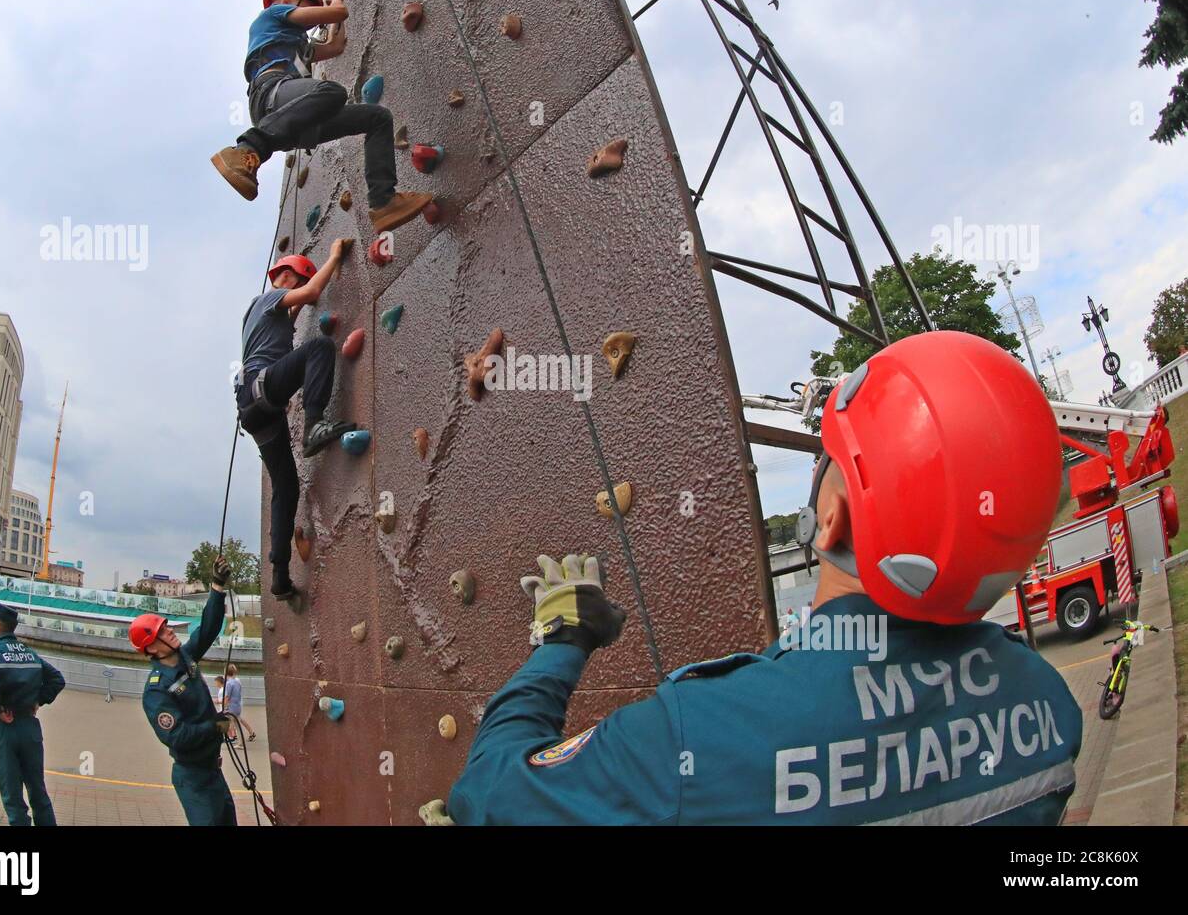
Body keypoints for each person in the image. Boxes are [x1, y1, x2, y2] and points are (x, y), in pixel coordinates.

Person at [447, 331, 1084, 824]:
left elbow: (489, 793)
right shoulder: (1050, 708)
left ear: (829, 519)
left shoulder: (701, 739)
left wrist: (564, 636)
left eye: (827, 459)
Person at [211, 0, 433, 233]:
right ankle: (246, 149)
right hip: (271, 93)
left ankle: (384, 201)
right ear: (286, 1)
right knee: (332, 92)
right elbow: (338, 13)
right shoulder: (272, 15)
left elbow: (335, 46)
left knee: (377, 117)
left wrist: (335, 12)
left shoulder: (297, 44)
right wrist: (335, 3)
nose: (313, 19)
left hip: (293, 117)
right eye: (310, 9)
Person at [237, 238, 354, 600]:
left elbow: (295, 311)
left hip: (253, 410)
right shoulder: (267, 298)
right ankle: (315, 425)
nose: (303, 295)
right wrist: (334, 255)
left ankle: (279, 575)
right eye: (299, 281)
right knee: (319, 346)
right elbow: (313, 290)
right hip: (262, 390)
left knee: (286, 488)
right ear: (286, 276)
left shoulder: (262, 315)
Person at [131, 556, 237, 826]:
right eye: (162, 632)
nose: (170, 632)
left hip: (213, 772)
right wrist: (214, 728)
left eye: (167, 627)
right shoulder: (156, 691)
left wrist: (216, 587)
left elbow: (209, 628)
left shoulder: (186, 658)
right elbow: (176, 736)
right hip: (193, 779)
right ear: (151, 648)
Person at [0, 601, 65, 826]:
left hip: (4, 730)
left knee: (13, 797)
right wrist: (38, 701)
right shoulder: (28, 652)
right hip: (29, 726)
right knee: (38, 792)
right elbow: (57, 679)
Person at [223, 664, 254, 742]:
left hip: (231, 707)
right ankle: (240, 742)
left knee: (224, 722)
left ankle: (227, 737)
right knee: (238, 726)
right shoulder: (237, 682)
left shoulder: (228, 683)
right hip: (237, 706)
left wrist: (225, 707)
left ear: (225, 673)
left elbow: (227, 697)